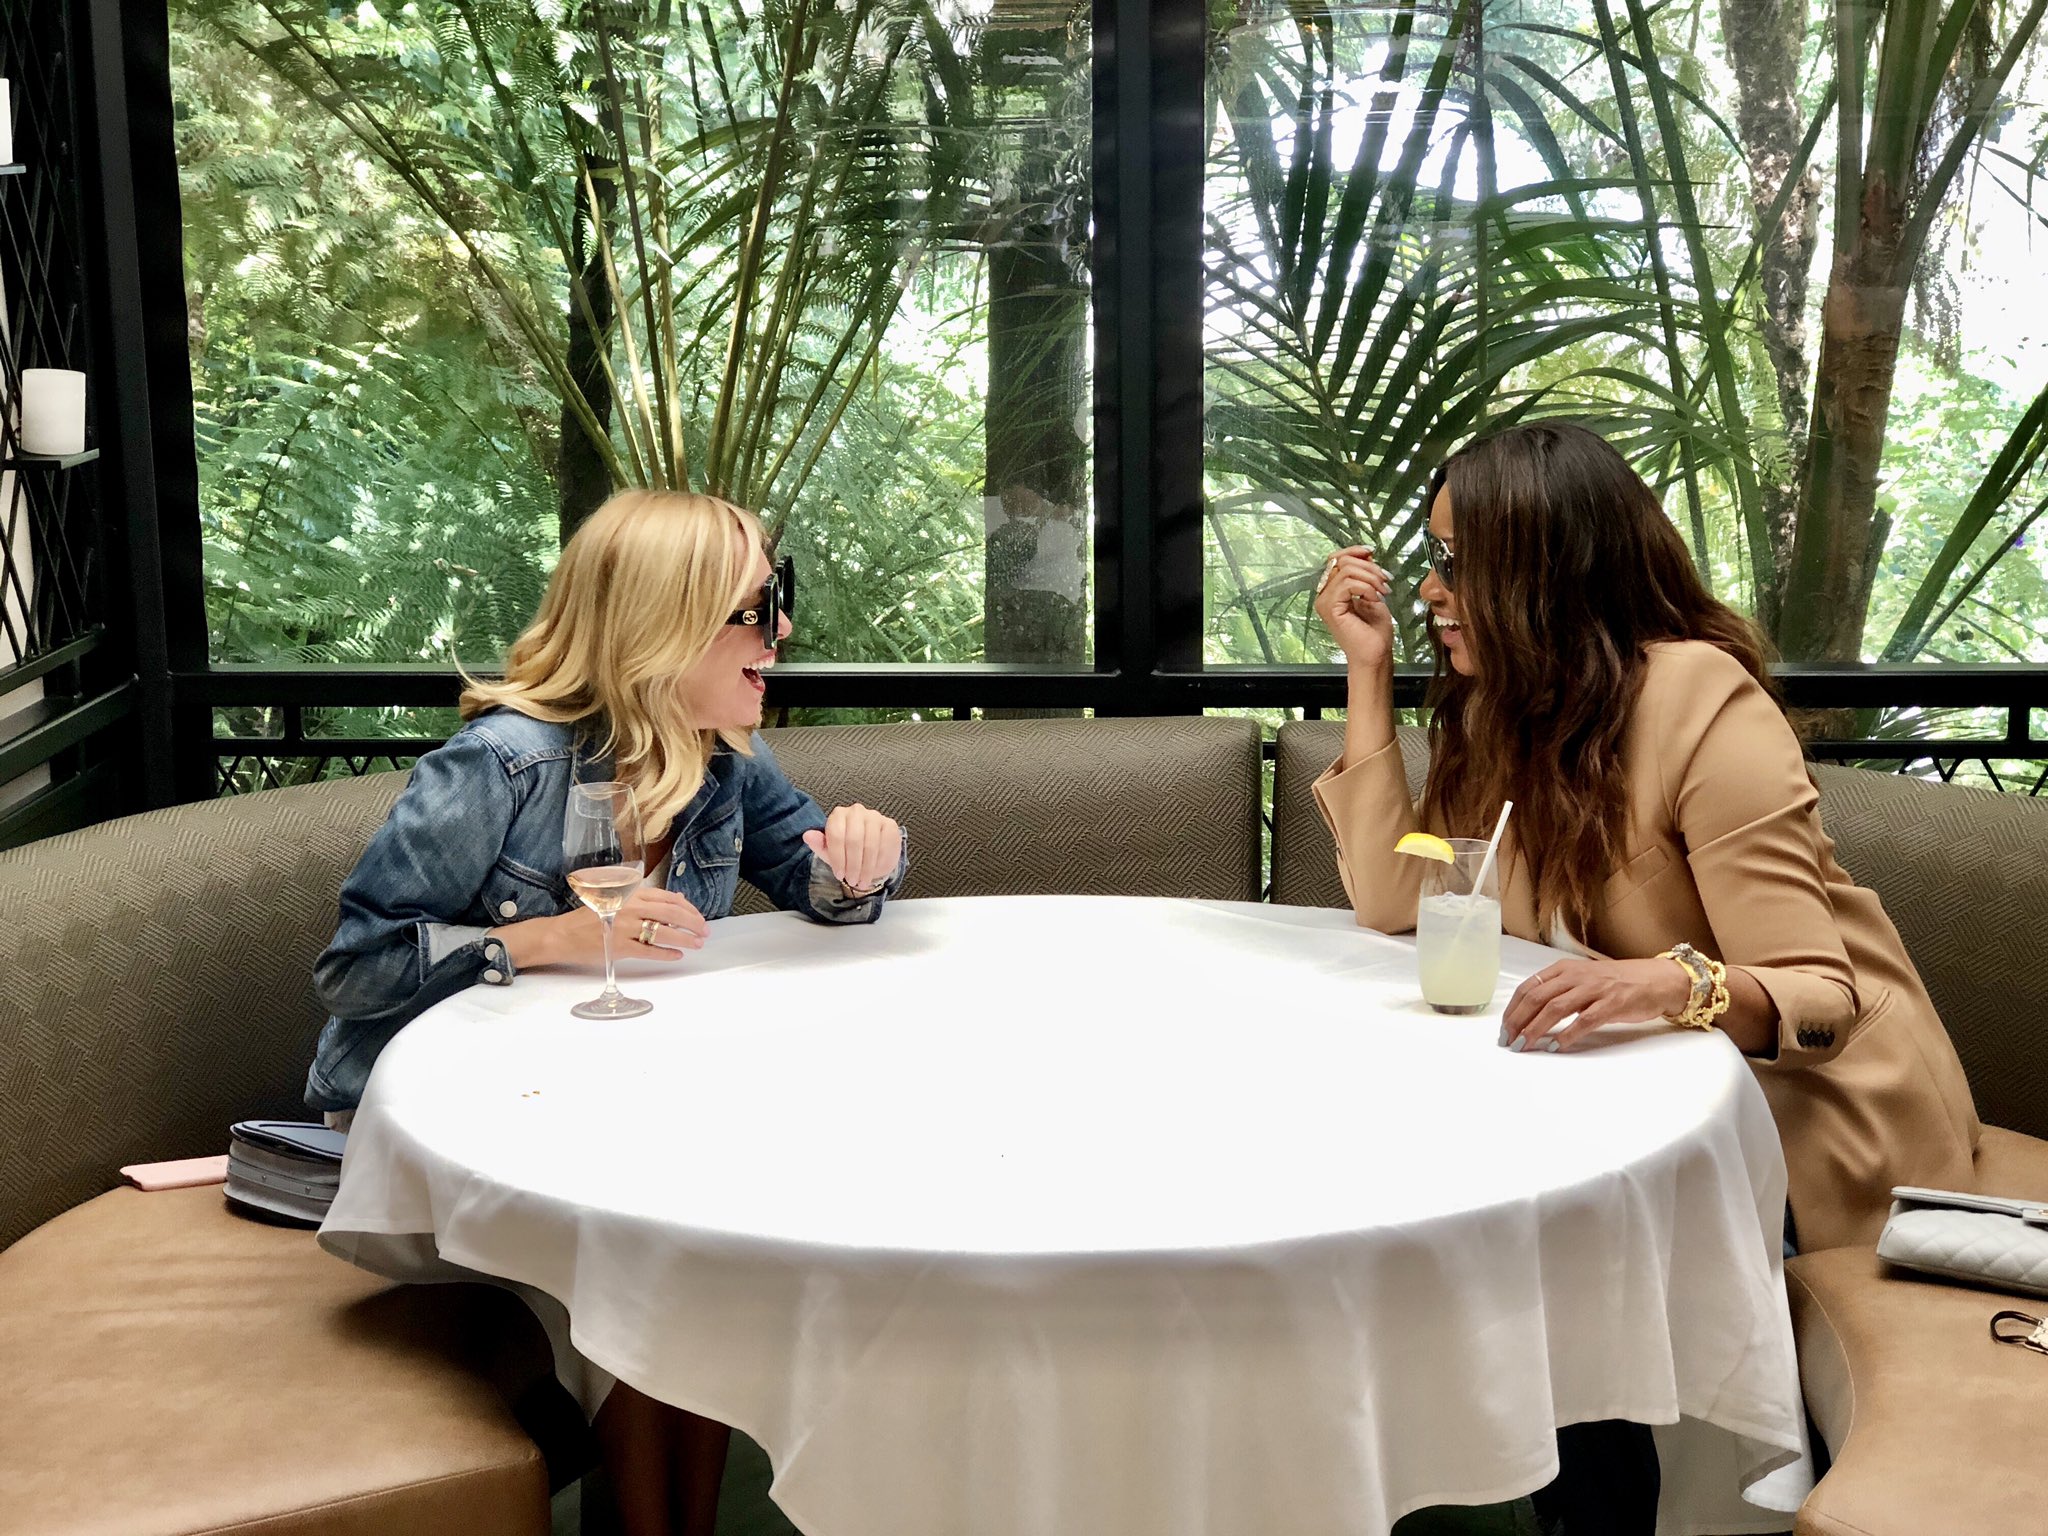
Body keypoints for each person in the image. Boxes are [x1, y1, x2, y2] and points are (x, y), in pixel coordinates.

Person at [1311, 421, 1982, 1532]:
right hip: (1606, 1100)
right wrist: (1366, 672)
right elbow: (1398, 897)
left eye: (1458, 565)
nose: (1430, 589)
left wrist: (1669, 984)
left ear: (1546, 577)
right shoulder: (1506, 708)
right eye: (1433, 559)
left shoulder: (1696, 701)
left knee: (1555, 1253)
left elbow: (1823, 992)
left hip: (1791, 1124)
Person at [306, 487, 908, 1536]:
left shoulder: (717, 762)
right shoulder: (502, 764)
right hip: (449, 1154)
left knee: (688, 1231)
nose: (783, 633)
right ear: (663, 625)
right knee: (674, 1249)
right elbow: (355, 969)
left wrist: (866, 860)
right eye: (758, 609)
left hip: (605, 1110)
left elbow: (817, 884)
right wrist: (545, 940)